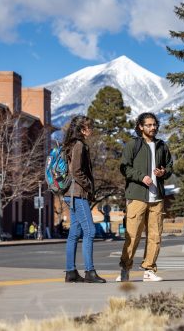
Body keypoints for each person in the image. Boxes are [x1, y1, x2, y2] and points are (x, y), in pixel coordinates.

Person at [116, 112, 173, 282]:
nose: (153, 127)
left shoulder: (162, 146)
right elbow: (124, 168)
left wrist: (163, 172)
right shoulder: (133, 145)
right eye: (149, 125)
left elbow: (170, 166)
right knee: (132, 236)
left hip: (157, 198)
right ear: (140, 127)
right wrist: (141, 177)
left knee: (155, 236)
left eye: (154, 124)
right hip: (137, 196)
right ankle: (125, 269)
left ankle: (149, 270)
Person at [63, 115, 106, 284]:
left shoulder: (70, 144)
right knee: (90, 231)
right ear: (82, 129)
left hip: (69, 194)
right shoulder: (79, 145)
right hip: (78, 194)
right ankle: (89, 272)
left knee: (74, 233)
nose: (91, 130)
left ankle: (70, 272)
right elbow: (76, 171)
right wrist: (89, 185)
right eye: (89, 127)